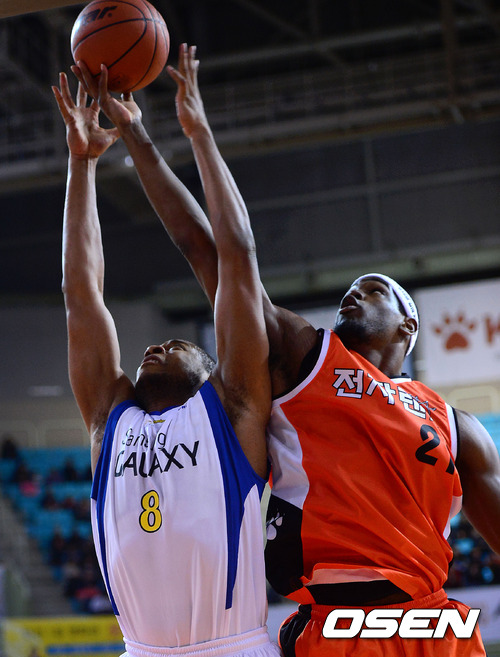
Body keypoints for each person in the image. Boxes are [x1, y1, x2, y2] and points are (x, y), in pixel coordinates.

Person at [75, 46, 500, 656]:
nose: (352, 295)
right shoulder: (305, 357)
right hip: (334, 622)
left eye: (373, 290)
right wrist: (143, 137)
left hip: (431, 623)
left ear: (408, 325)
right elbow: (210, 249)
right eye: (351, 290)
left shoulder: (459, 427)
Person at [52, 64, 280, 657]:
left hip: (232, 647)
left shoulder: (233, 407)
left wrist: (184, 135)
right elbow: (81, 293)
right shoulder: (110, 420)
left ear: (211, 372)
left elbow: (236, 257)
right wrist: (81, 164)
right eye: (157, 347)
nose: (155, 348)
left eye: (177, 346)